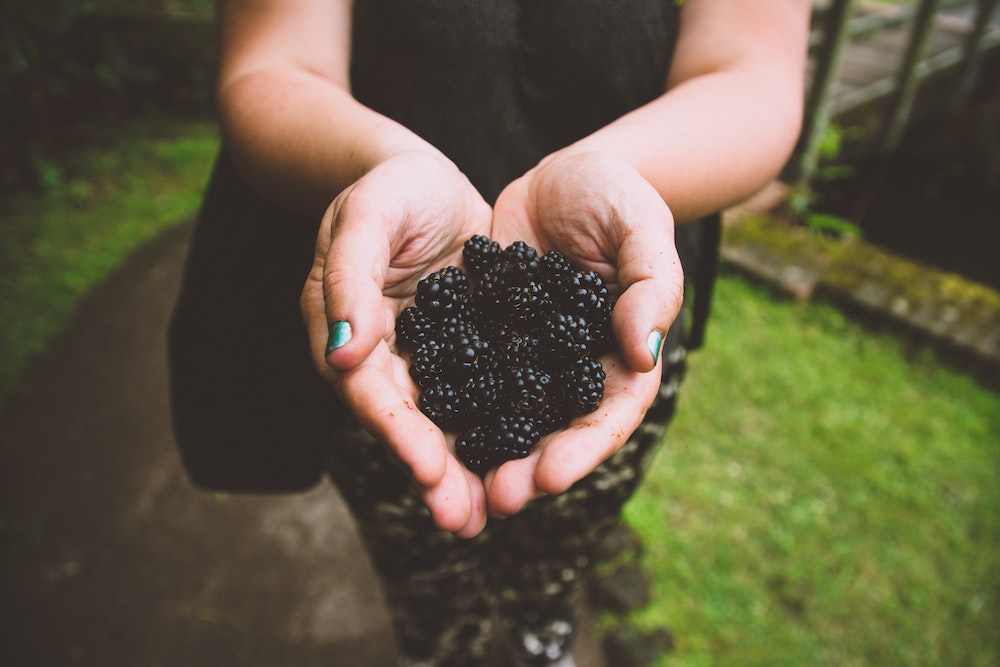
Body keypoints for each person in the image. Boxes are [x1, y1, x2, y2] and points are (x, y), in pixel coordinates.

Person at [168, 1, 811, 665]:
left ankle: (544, 634)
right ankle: (447, 649)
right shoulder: (438, 328)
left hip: (614, 310)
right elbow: (271, 66)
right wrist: (382, 165)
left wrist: (616, 168)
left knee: (563, 540)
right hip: (384, 308)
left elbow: (754, 72)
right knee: (421, 561)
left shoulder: (561, 333)